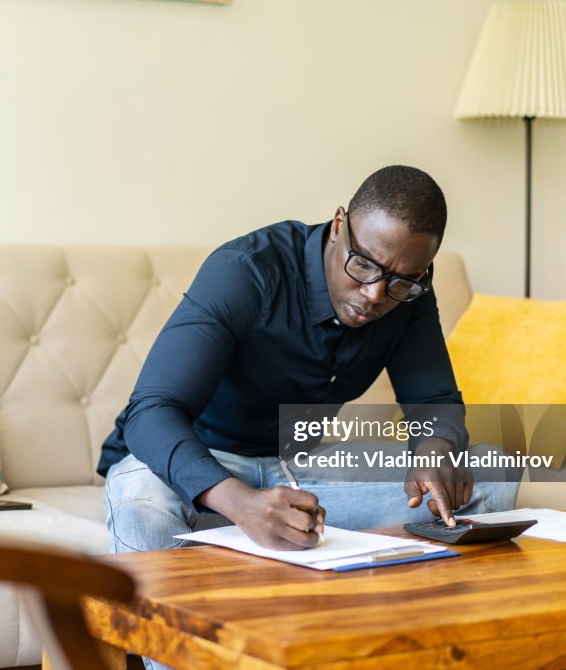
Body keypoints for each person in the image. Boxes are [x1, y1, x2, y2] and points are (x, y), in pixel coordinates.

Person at [98, 165, 517, 556]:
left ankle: (337, 562)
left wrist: (435, 447)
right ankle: (229, 543)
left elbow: (434, 400)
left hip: (299, 470)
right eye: (364, 264)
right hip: (202, 461)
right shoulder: (248, 271)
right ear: (339, 226)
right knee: (141, 498)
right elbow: (150, 413)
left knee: (489, 473)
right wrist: (242, 503)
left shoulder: (408, 297)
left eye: (401, 280)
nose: (375, 294)